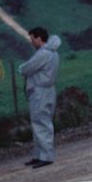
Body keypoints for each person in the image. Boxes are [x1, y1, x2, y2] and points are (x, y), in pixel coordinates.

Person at [19, 26, 61, 168]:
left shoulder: (43, 54)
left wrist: (21, 68)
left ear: (38, 38)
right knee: (40, 121)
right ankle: (39, 154)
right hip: (48, 90)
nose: (31, 42)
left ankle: (46, 156)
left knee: (41, 122)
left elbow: (26, 68)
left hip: (40, 91)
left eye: (32, 39)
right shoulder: (53, 53)